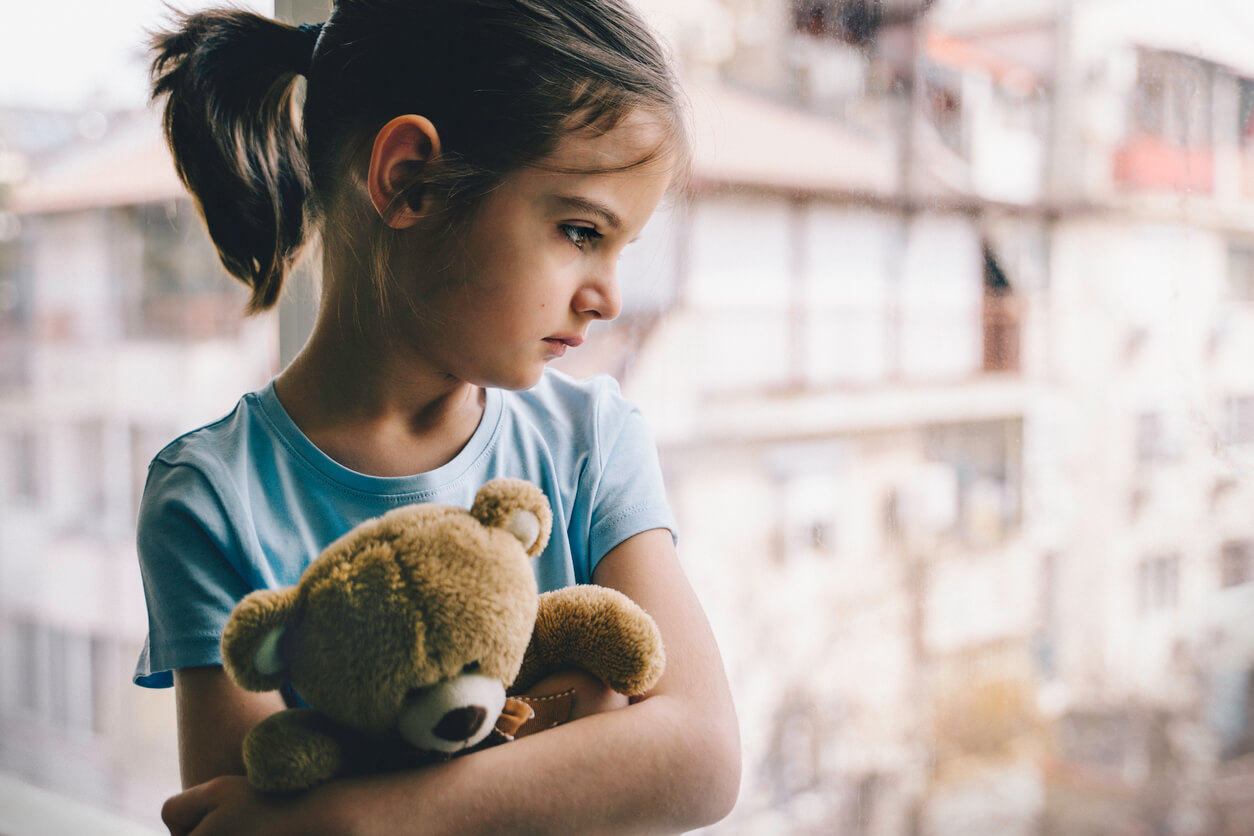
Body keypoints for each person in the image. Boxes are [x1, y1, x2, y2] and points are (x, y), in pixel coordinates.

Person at [131, 1, 740, 834]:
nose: (608, 299)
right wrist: (575, 722)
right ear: (410, 180)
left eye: (619, 248)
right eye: (577, 230)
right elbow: (235, 821)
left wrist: (363, 819)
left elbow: (700, 757)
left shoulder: (591, 440)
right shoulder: (209, 499)